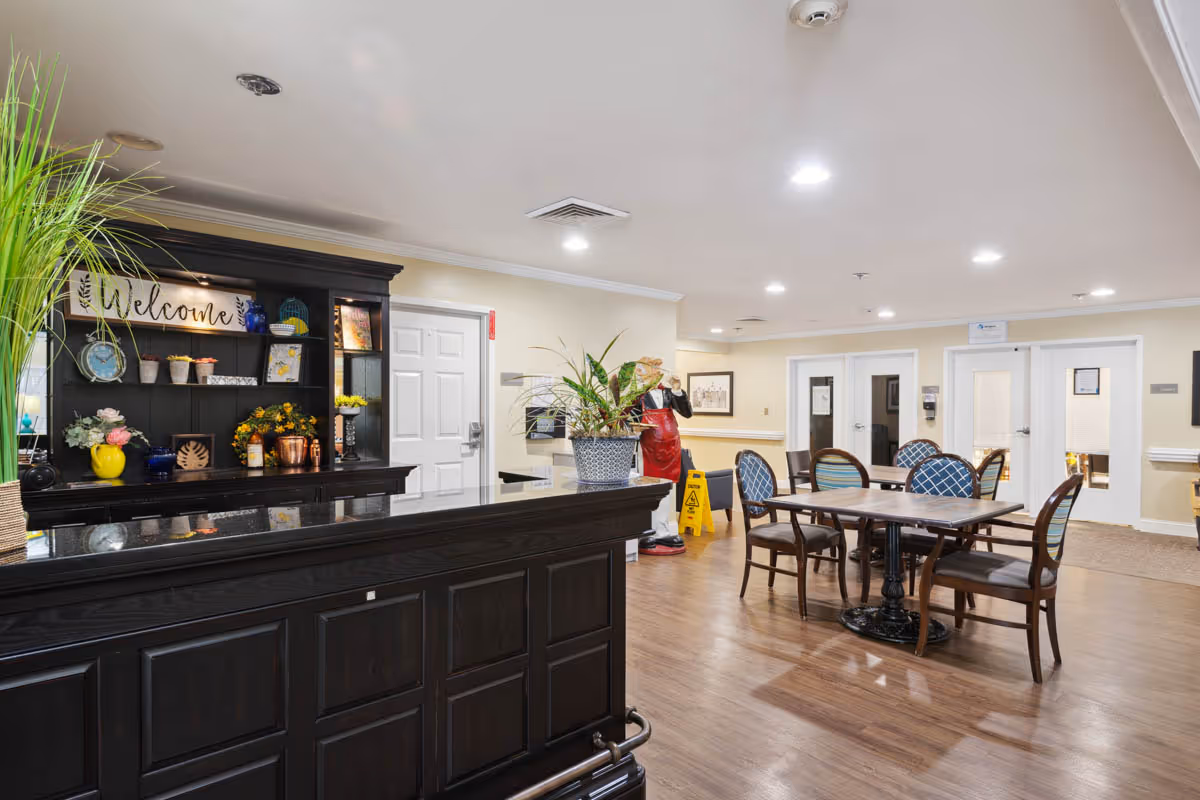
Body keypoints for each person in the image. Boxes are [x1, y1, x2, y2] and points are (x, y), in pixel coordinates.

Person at [632, 357, 692, 555]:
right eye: (652, 368)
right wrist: (635, 429)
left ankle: (663, 530)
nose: (656, 371)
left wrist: (677, 390)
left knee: (668, 488)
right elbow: (627, 419)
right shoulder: (637, 396)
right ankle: (648, 531)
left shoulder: (668, 393)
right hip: (649, 447)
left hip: (671, 446)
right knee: (649, 488)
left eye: (657, 368)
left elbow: (687, 412)